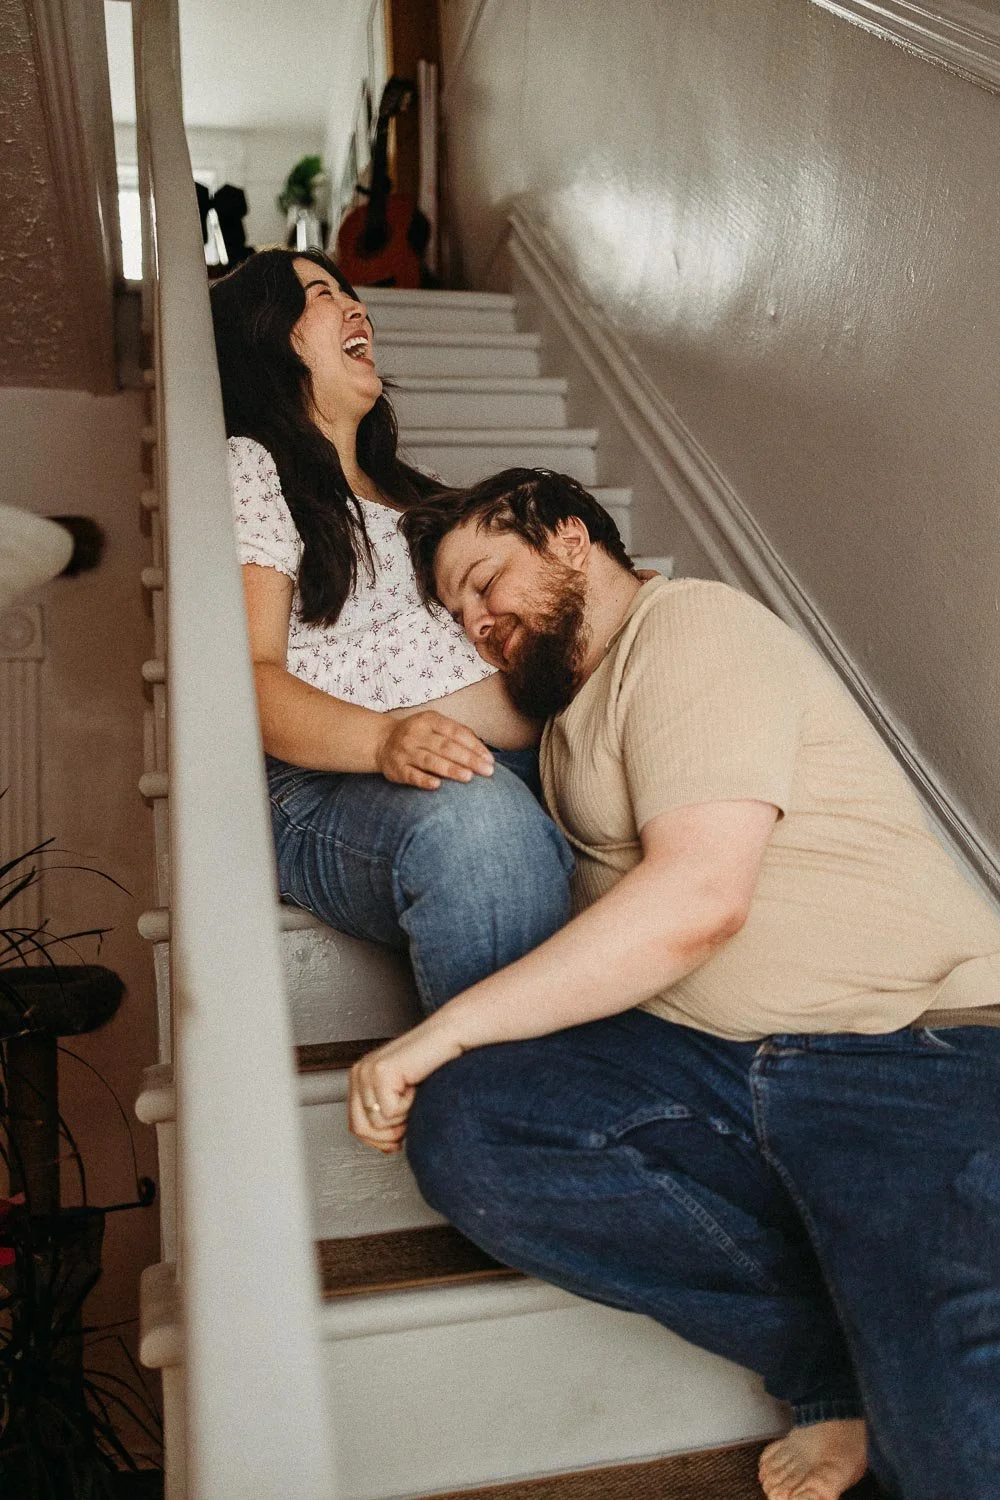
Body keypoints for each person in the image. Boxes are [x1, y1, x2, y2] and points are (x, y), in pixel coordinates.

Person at [347, 467, 1000, 1500]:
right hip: (714, 1065)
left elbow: (701, 901)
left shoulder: (692, 628)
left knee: (956, 1439)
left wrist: (442, 1031)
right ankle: (829, 1357)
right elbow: (368, 706)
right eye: (456, 608)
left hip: (904, 1056)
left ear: (569, 539)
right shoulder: (556, 704)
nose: (474, 620)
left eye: (484, 581)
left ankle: (887, 1334)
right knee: (474, 1128)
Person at [209, 255, 573, 1014]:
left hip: (513, 757)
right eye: (321, 295)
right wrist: (382, 741)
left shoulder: (417, 487)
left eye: (352, 294)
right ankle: (499, 1116)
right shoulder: (253, 466)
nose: (357, 311)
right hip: (331, 780)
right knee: (481, 828)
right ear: (268, 338)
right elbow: (250, 674)